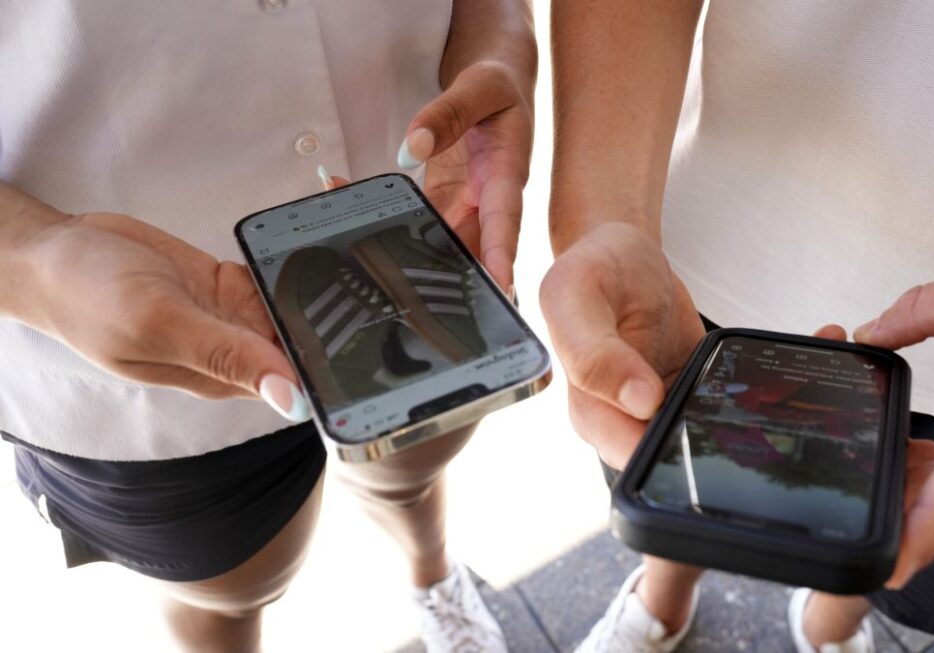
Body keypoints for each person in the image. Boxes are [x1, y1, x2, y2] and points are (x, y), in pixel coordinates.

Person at [541, 2, 934, 652]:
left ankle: (830, 621)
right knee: (678, 485)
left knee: (898, 554)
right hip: (717, 248)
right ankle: (662, 594)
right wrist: (608, 219)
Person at [0, 1, 535, 651]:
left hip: (410, 224)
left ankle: (436, 581)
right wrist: (28, 252)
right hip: (131, 360)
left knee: (412, 475)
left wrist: (498, 39)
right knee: (233, 592)